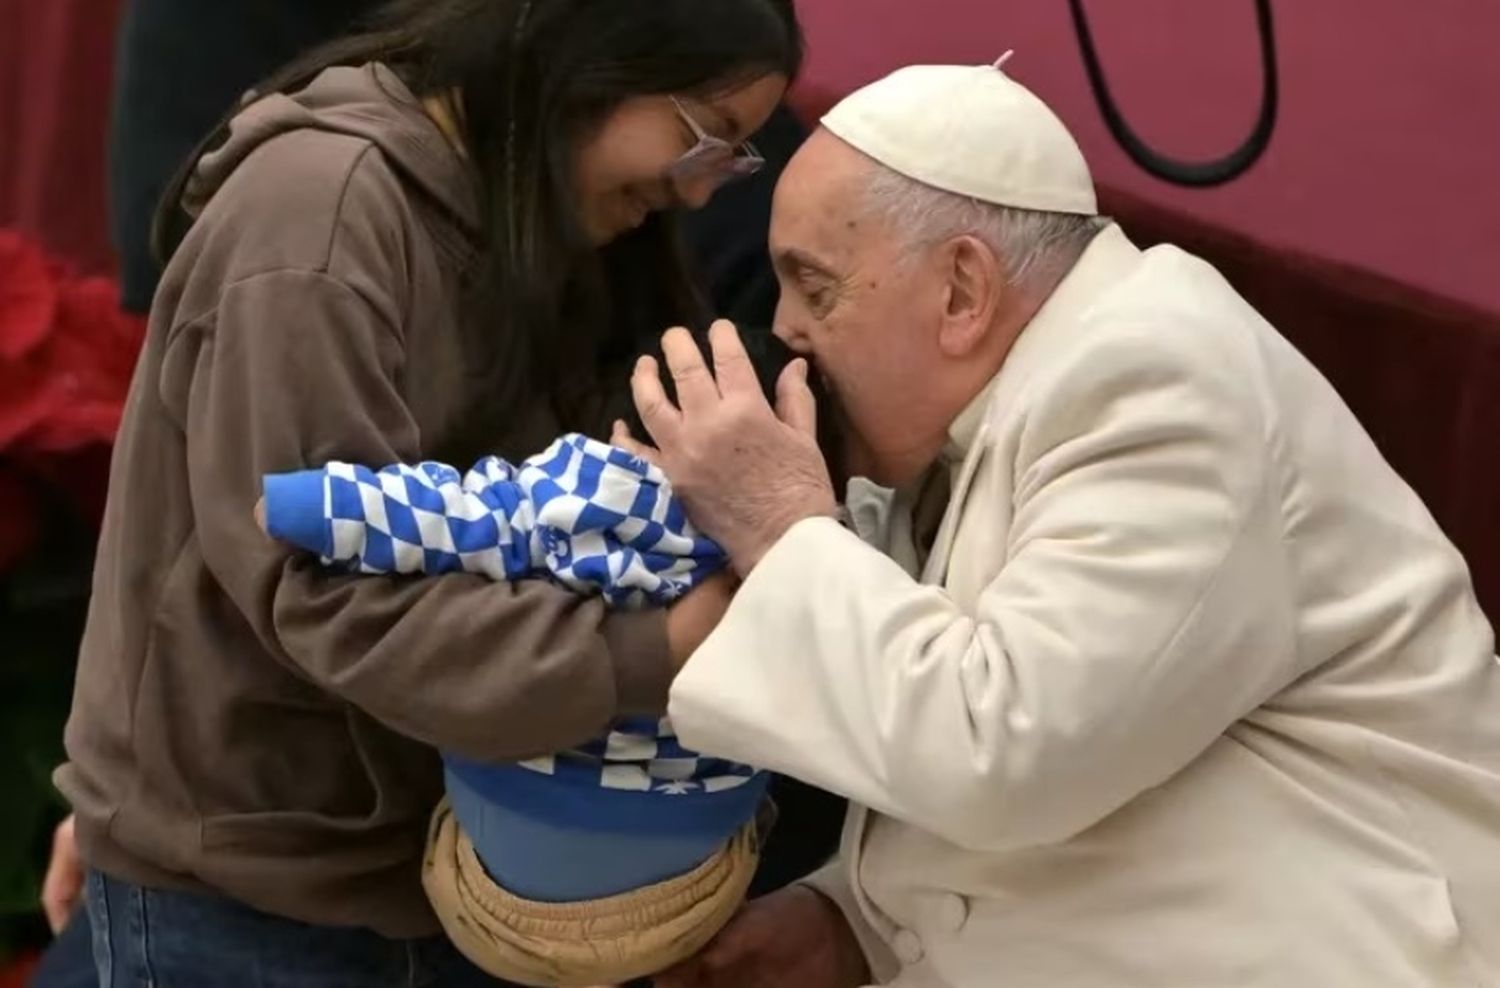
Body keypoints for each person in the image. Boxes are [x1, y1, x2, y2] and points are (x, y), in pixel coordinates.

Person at [620, 61, 1500, 987]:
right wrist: (857, 922)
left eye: (818, 287)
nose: (789, 330)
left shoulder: (1161, 376)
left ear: (963, 290)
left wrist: (778, 522)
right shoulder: (1001, 398)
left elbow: (1002, 753)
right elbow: (1114, 742)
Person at [55, 1, 807, 984]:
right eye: (704, 135)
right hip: (247, 904)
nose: (701, 192)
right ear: (592, 54)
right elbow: (325, 585)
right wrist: (663, 646)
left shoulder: (542, 218)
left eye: (737, 156)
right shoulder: (321, 216)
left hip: (443, 875)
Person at [253, 332, 833, 986]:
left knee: (482, 647)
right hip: (690, 882)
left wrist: (302, 505)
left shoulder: (588, 492)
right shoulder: (809, 547)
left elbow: (438, 515)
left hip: (502, 864)